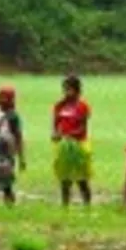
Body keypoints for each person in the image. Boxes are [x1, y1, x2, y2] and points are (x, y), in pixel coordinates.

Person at [52, 75, 92, 206]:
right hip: (64, 145)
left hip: (79, 145)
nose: (66, 92)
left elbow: (82, 128)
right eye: (65, 89)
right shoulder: (59, 105)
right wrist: (56, 134)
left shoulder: (82, 106)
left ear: (77, 90)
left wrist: (68, 134)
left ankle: (87, 204)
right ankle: (65, 205)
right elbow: (56, 125)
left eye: (69, 89)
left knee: (81, 179)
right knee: (65, 179)